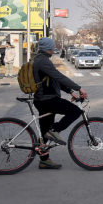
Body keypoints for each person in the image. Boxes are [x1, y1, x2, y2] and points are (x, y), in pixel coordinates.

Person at [32, 37, 88, 169]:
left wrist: (70, 91)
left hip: (43, 99)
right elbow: (58, 76)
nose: (54, 49)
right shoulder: (43, 61)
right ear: (48, 48)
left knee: (45, 131)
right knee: (75, 111)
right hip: (47, 99)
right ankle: (55, 130)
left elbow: (53, 80)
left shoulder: (41, 59)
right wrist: (78, 88)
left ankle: (44, 160)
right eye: (52, 46)